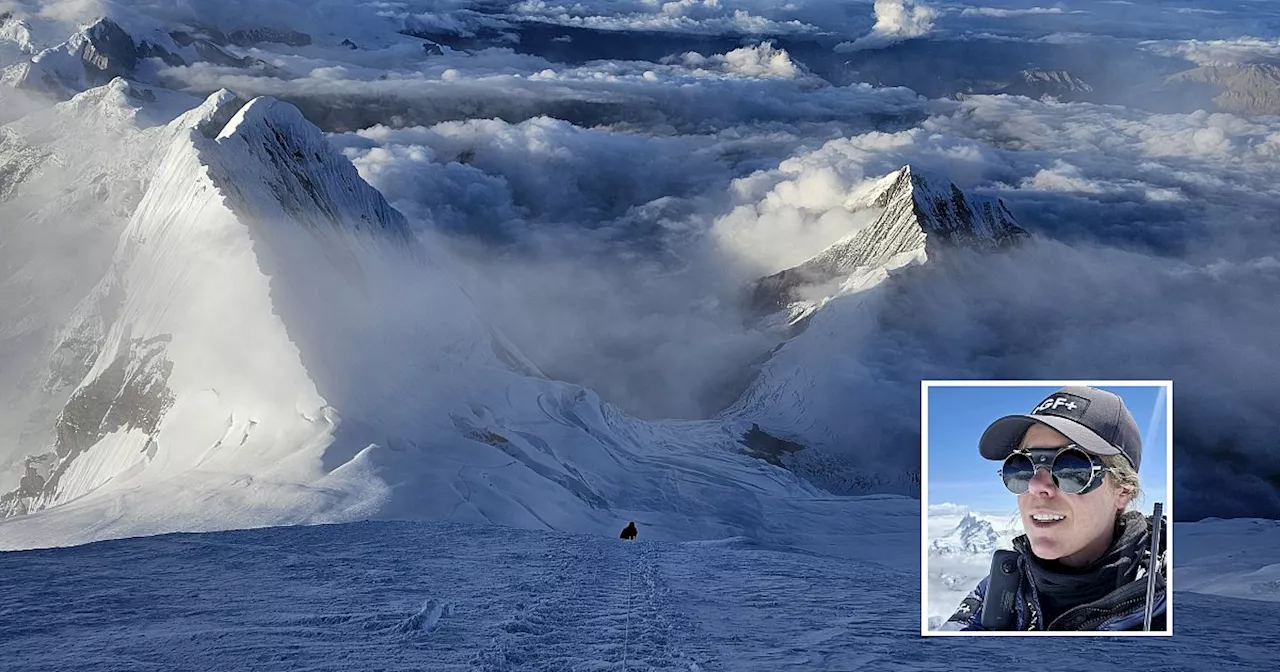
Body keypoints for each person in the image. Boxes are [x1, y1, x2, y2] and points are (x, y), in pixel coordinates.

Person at [940, 386, 1167, 632]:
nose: (1036, 485)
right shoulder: (1001, 590)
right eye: (1022, 467)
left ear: (1123, 491)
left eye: (1072, 469)